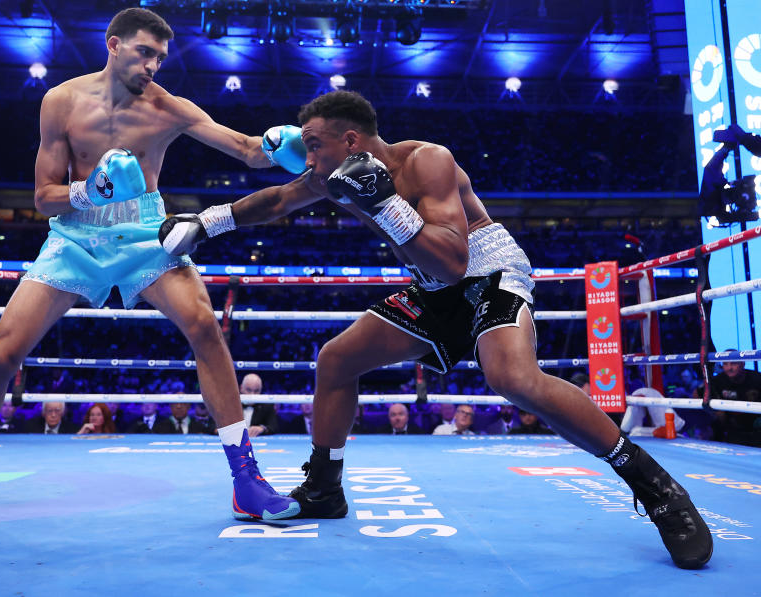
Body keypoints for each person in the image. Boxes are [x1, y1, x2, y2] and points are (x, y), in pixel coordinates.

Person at [159, 90, 712, 568]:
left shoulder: (428, 161)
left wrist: (386, 201)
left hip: (486, 271)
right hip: (433, 286)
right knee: (336, 360)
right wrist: (206, 222)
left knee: (512, 378)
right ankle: (325, 488)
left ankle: (654, 485)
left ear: (352, 141)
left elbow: (452, 259)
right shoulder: (330, 176)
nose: (307, 155)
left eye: (314, 143)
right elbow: (277, 199)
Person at [0, 8, 302, 524]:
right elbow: (43, 197)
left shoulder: (169, 108)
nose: (153, 66)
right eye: (145, 52)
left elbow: (245, 150)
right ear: (114, 44)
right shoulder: (60, 101)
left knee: (206, 328)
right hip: (75, 235)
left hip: (146, 232)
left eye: (161, 58)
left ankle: (246, 482)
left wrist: (284, 147)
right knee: (2, 353)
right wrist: (91, 190)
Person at [708, 357, 761, 446]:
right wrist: (715, 410)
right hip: (733, 429)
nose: (729, 368)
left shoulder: (757, 378)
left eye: (733, 363)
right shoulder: (718, 380)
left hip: (757, 427)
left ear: (743, 364)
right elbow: (697, 394)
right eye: (725, 364)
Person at [621, 388, 685, 438]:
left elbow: (641, 395)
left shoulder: (644, 392)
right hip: (629, 432)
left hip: (672, 427)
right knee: (633, 431)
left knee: (633, 431)